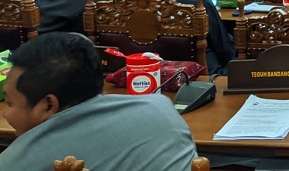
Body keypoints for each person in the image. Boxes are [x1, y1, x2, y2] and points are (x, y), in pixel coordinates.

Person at [0, 32, 197, 170]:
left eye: (10, 103)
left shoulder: (15, 162)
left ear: (48, 105)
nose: (4, 113)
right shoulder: (161, 107)